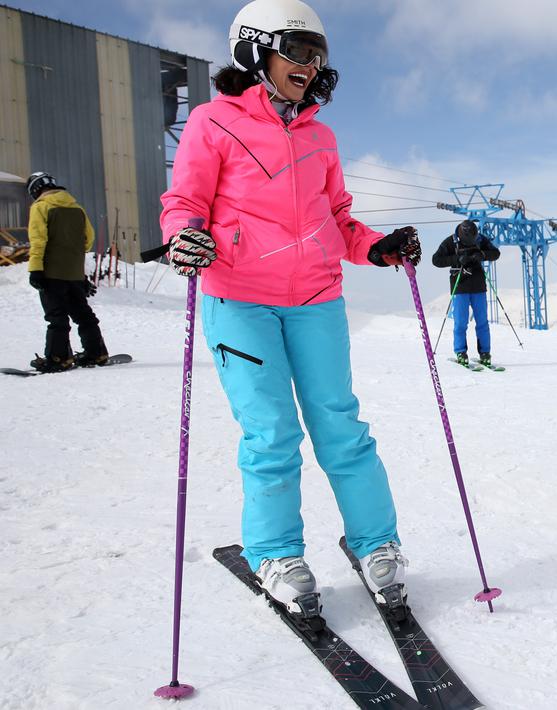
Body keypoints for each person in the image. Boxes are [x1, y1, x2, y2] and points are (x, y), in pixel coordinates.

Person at [159, 0, 423, 615]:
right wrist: (182, 237)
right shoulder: (212, 122)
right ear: (255, 49)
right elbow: (183, 200)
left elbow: (336, 219)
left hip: (316, 299)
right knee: (272, 433)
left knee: (341, 427)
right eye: (298, 52)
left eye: (318, 56)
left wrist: (376, 248)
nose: (310, 66)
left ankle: (376, 545)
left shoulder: (320, 136)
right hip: (240, 299)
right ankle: (276, 552)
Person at [24, 172, 109, 373]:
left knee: (57, 316)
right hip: (74, 272)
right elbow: (88, 239)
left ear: (36, 190)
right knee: (83, 314)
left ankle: (58, 358)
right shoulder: (77, 208)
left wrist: (35, 268)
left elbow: (38, 241)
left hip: (51, 272)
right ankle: (96, 352)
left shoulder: (41, 207)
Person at [431, 219, 501, 367]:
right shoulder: (450, 242)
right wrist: (457, 259)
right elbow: (436, 260)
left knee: (482, 322)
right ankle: (461, 352)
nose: (471, 242)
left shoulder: (480, 239)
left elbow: (495, 253)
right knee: (461, 322)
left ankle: (485, 353)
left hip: (478, 285)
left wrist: (482, 254)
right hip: (460, 285)